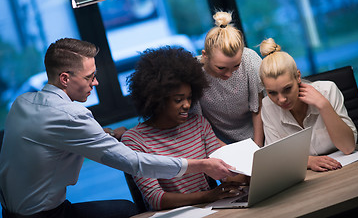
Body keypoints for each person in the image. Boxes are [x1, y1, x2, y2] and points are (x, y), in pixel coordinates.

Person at [0, 38, 237, 218]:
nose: (96, 82)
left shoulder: (23, 103)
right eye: (89, 77)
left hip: (9, 211)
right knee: (125, 211)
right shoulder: (72, 116)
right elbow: (134, 163)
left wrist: (109, 135)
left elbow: (58, 135)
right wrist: (201, 165)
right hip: (45, 214)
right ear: (64, 78)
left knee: (123, 208)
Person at [122, 46, 246, 211]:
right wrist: (209, 196)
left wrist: (249, 170)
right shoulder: (134, 140)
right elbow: (156, 199)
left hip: (211, 211)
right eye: (178, 100)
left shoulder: (198, 124)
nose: (187, 105)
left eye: (189, 98)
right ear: (157, 100)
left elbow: (225, 173)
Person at [259, 38, 358, 172]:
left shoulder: (327, 91)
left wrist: (324, 106)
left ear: (298, 77)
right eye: (272, 93)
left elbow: (348, 147)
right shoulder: (268, 106)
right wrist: (308, 161)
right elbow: (275, 159)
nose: (281, 99)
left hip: (344, 169)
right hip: (307, 177)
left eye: (287, 89)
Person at [191, 11, 264, 146]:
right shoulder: (193, 72)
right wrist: (229, 152)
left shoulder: (249, 60)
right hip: (216, 141)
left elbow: (258, 108)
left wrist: (257, 147)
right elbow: (198, 125)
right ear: (205, 55)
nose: (229, 74)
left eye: (236, 66)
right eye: (221, 68)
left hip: (257, 134)